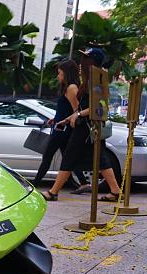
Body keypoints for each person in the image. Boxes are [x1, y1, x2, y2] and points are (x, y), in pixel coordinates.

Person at [41, 48, 121, 202]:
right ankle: (115, 191)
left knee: (70, 158)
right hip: (87, 128)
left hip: (85, 129)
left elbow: (99, 107)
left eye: (84, 58)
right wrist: (68, 118)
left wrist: (77, 115)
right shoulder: (92, 79)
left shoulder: (95, 79)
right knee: (101, 160)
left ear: (91, 61)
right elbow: (86, 107)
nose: (79, 63)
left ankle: (53, 192)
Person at [32, 60, 90, 193]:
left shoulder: (72, 88)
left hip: (63, 129)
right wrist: (56, 118)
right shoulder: (69, 87)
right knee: (67, 158)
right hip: (61, 127)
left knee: (47, 156)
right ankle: (83, 182)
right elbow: (67, 109)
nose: (58, 76)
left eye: (59, 73)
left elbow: (77, 110)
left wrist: (63, 121)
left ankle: (35, 185)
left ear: (66, 73)